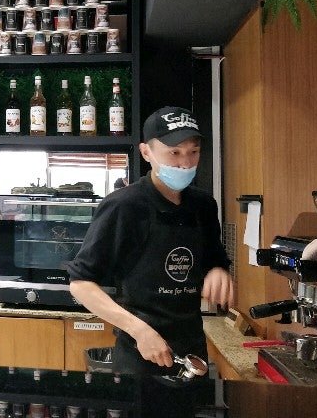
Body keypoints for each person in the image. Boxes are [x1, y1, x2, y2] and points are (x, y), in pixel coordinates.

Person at [66, 106, 233, 417]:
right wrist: (139, 331)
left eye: (193, 152)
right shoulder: (124, 206)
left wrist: (218, 271)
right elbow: (81, 283)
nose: (185, 163)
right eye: (174, 153)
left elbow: (214, 258)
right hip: (139, 354)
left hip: (192, 351)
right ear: (146, 152)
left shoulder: (203, 206)